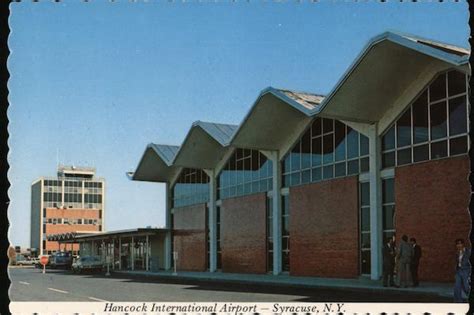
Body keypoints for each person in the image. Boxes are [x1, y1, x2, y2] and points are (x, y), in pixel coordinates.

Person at [454, 238, 471, 302]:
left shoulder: (468, 251)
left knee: (466, 286)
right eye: (457, 244)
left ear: (463, 244)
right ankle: (458, 302)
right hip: (459, 271)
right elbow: (457, 262)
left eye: (460, 244)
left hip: (466, 270)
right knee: (457, 287)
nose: (459, 245)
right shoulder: (457, 252)